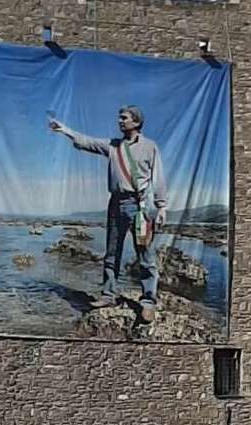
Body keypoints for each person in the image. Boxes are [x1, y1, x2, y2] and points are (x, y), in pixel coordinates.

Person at [50, 106, 167, 321]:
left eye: (124, 118)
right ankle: (108, 294)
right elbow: (87, 142)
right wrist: (64, 130)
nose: (120, 121)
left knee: (145, 255)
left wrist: (161, 207)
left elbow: (158, 178)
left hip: (140, 207)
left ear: (136, 122)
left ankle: (148, 301)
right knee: (112, 252)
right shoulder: (113, 146)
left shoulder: (150, 147)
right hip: (115, 205)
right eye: (119, 118)